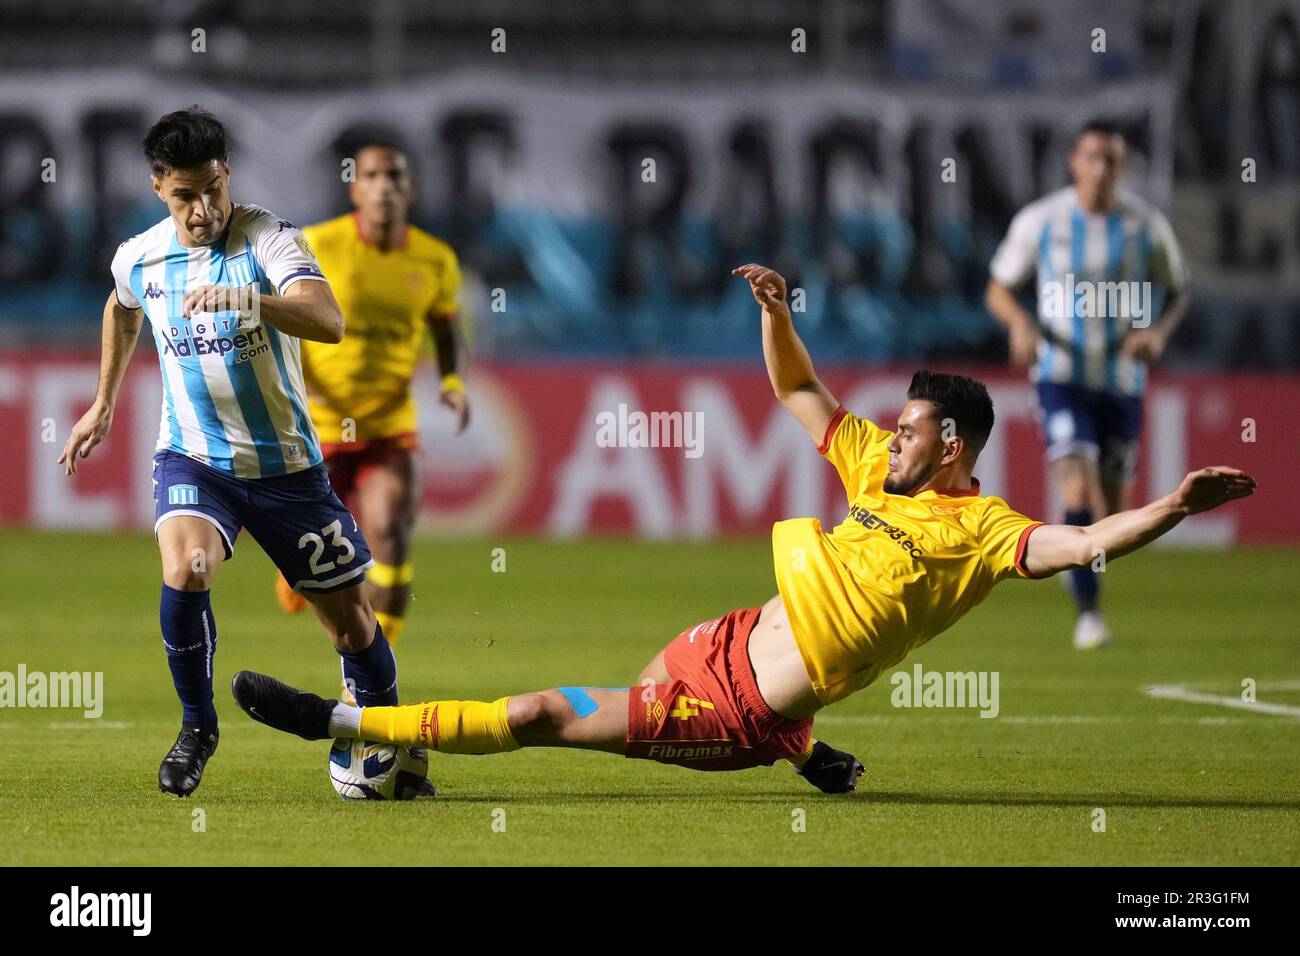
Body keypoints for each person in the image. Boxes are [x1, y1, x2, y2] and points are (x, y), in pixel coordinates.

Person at [231, 264, 1252, 792]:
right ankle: (813, 750)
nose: (887, 437)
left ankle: (341, 724)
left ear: (954, 445)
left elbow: (1081, 545)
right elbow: (801, 390)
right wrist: (774, 311)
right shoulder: (872, 469)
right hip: (713, 638)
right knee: (581, 699)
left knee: (544, 710)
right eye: (893, 424)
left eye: (908, 429)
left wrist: (1167, 506)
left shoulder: (984, 527)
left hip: (737, 716)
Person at [59, 108, 419, 797]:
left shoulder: (270, 238)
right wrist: (102, 402)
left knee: (351, 623)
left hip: (287, 469)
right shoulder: (140, 256)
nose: (203, 209)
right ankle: (198, 727)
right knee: (188, 568)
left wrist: (250, 299)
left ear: (228, 175)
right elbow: (121, 305)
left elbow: (328, 320)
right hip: (196, 461)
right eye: (184, 196)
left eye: (213, 188)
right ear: (158, 188)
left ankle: (392, 741)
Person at [985, 120, 1190, 649]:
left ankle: (1063, 545)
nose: (1102, 168)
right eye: (1093, 157)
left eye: (1113, 160)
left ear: (1123, 168)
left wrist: (1158, 334)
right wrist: (1021, 324)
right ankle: (1090, 615)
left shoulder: (1146, 225)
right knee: (1077, 485)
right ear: (1074, 161)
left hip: (1122, 379)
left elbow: (1178, 291)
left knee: (1115, 508)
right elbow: (998, 288)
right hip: (1060, 374)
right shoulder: (1043, 220)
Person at [274, 141, 469, 652]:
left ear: (410, 189)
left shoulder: (435, 259)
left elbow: (446, 331)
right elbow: (283, 318)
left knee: (390, 533)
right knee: (314, 559)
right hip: (314, 425)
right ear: (354, 187)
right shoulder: (316, 244)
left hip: (387, 425)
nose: (384, 187)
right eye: (374, 176)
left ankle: (370, 678)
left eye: (395, 177)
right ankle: (300, 574)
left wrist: (451, 383)